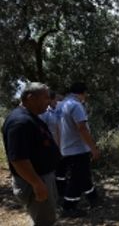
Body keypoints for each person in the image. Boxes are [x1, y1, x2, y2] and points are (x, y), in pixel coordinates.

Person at [2, 82, 61, 226]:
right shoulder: (20, 122)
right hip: (36, 180)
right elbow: (18, 159)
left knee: (44, 218)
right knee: (44, 222)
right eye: (45, 98)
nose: (49, 101)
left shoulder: (30, 117)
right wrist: (37, 184)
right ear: (30, 97)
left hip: (42, 178)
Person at [58, 82, 100, 217]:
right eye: (86, 94)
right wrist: (93, 148)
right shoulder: (76, 105)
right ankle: (69, 206)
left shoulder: (63, 104)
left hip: (67, 147)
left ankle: (93, 198)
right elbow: (82, 128)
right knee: (76, 178)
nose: (86, 97)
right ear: (82, 93)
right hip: (77, 149)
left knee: (83, 174)